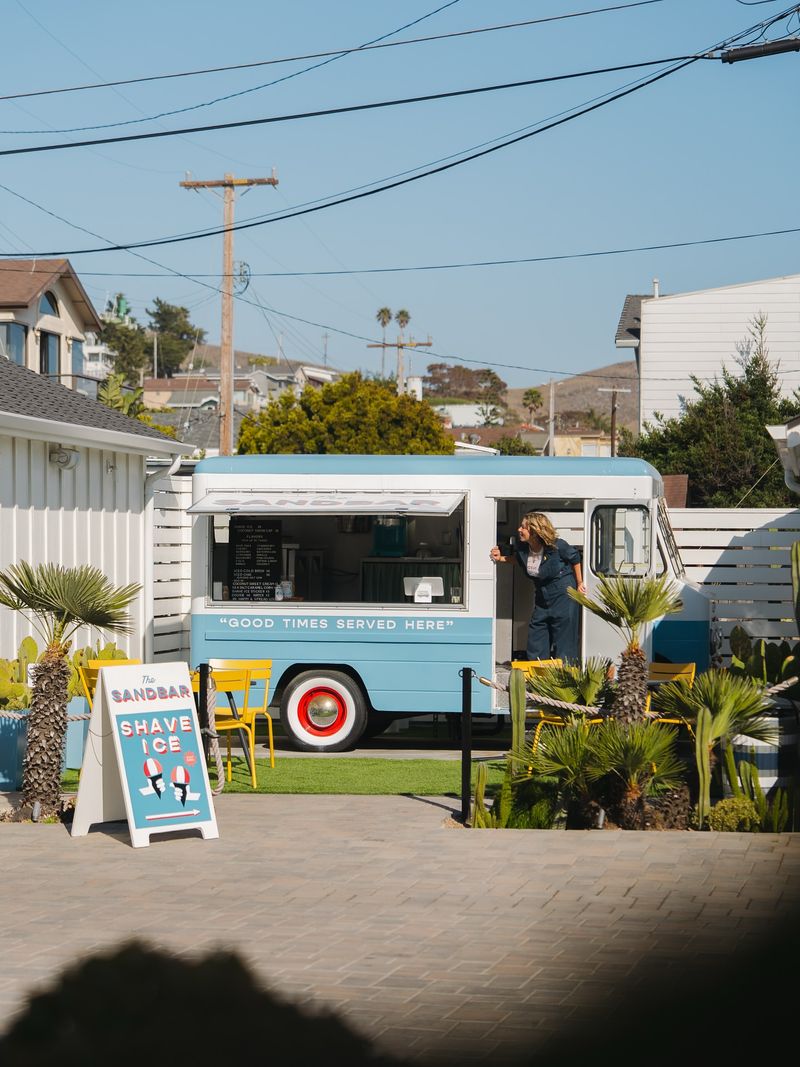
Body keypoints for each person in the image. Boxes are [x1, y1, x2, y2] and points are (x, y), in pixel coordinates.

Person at [490, 511, 586, 664]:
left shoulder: (557, 545)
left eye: (523, 527)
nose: (519, 530)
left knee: (564, 640)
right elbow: (521, 561)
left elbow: (575, 558)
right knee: (537, 633)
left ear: (535, 531)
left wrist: (580, 582)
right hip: (542, 595)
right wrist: (501, 558)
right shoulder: (522, 548)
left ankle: (565, 677)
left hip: (563, 594)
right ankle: (538, 676)